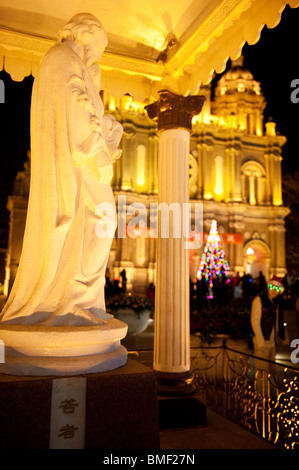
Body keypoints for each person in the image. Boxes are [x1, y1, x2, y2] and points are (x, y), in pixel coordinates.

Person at [0, 13, 123, 326]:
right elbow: (74, 102)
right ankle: (72, 298)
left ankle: (79, 297)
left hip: (84, 159)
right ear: (86, 33)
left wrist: (107, 130)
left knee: (102, 218)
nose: (99, 54)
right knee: (103, 216)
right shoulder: (62, 56)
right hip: (79, 159)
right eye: (100, 46)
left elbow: (83, 103)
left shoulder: (75, 62)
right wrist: (96, 147)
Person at [250, 277, 286, 361]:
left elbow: (278, 320)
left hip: (272, 342)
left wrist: (281, 336)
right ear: (268, 287)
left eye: (277, 288)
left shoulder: (276, 302)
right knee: (262, 369)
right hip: (262, 342)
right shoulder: (259, 300)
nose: (274, 290)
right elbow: (255, 322)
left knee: (271, 369)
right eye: (272, 287)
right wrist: (261, 343)